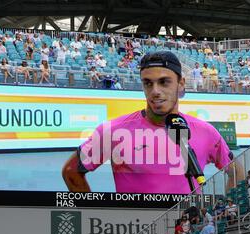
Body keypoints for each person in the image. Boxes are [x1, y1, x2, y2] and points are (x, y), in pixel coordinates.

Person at [62, 51, 236, 194]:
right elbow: (71, 172)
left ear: (181, 84)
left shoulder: (206, 131)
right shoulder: (113, 131)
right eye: (148, 83)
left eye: (164, 82)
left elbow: (236, 171)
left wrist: (228, 211)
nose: (155, 91)